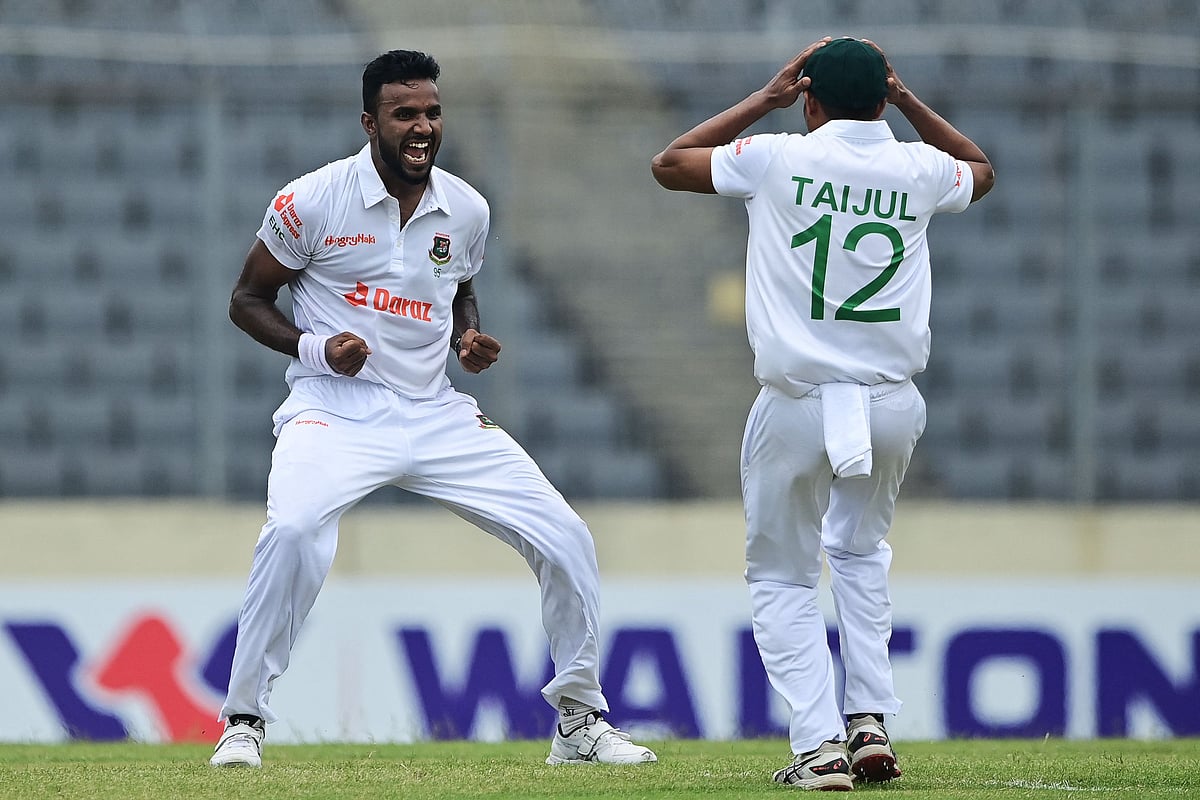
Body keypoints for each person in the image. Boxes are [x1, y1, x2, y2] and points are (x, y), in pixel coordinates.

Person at [208, 49, 656, 769]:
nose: (422, 127)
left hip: (435, 411)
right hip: (335, 408)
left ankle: (579, 723)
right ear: (370, 122)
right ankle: (243, 721)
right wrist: (318, 349)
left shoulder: (466, 207)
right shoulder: (312, 200)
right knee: (292, 530)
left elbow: (457, 285)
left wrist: (464, 336)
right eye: (404, 114)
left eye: (432, 113)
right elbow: (246, 299)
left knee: (567, 536)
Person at [651, 37, 993, 790]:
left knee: (782, 576)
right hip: (891, 403)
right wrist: (909, 102)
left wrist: (762, 99)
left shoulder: (776, 156)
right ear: (883, 98)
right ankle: (868, 723)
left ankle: (818, 748)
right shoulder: (918, 168)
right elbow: (980, 168)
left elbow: (671, 162)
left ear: (808, 100)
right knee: (861, 553)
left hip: (798, 401)